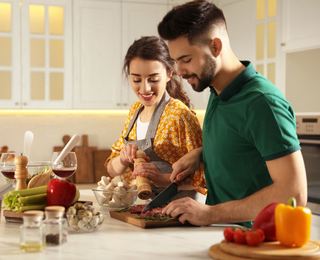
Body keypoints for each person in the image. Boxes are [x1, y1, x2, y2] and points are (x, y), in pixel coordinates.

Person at [157, 0, 307, 227]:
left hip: (259, 242)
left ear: (216, 47)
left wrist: (210, 213)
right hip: (225, 236)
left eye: (186, 59)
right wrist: (201, 153)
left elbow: (293, 195)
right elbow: (244, 141)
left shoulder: (262, 103)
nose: (180, 71)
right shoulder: (217, 90)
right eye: (176, 62)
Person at [105, 36, 207, 201]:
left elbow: (204, 176)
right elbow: (111, 169)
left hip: (180, 212)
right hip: (144, 209)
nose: (145, 88)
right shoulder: (134, 111)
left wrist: (165, 179)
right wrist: (123, 159)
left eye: (153, 79)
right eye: (136, 79)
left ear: (169, 74)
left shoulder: (180, 115)